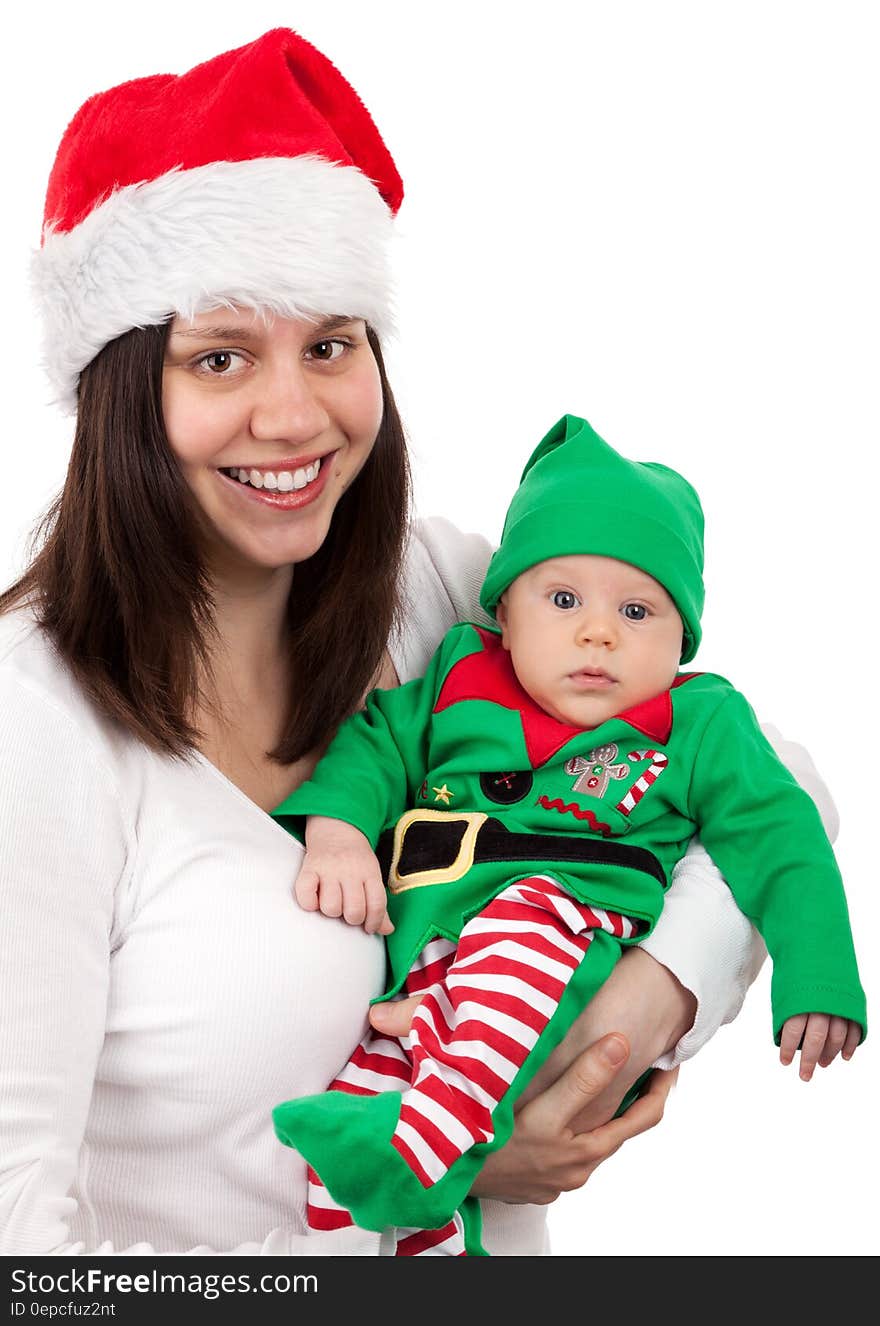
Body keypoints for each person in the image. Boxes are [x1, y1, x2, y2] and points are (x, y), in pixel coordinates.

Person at [0, 28, 835, 1257]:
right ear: (125, 390)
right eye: (220, 356)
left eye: (332, 343)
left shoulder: (438, 598)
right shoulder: (34, 731)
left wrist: (631, 1012)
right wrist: (433, 1180)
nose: (295, 415)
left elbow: (772, 774)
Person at [272, 413, 866, 1256]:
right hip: (434, 954)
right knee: (372, 1072)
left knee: (523, 923)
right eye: (563, 601)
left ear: (683, 639)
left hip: (566, 935)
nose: (598, 633)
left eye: (637, 610)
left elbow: (782, 829)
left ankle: (416, 1154)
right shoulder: (456, 678)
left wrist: (819, 976)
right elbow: (371, 747)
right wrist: (336, 835)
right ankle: (397, 1228)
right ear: (504, 615)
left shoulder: (693, 722)